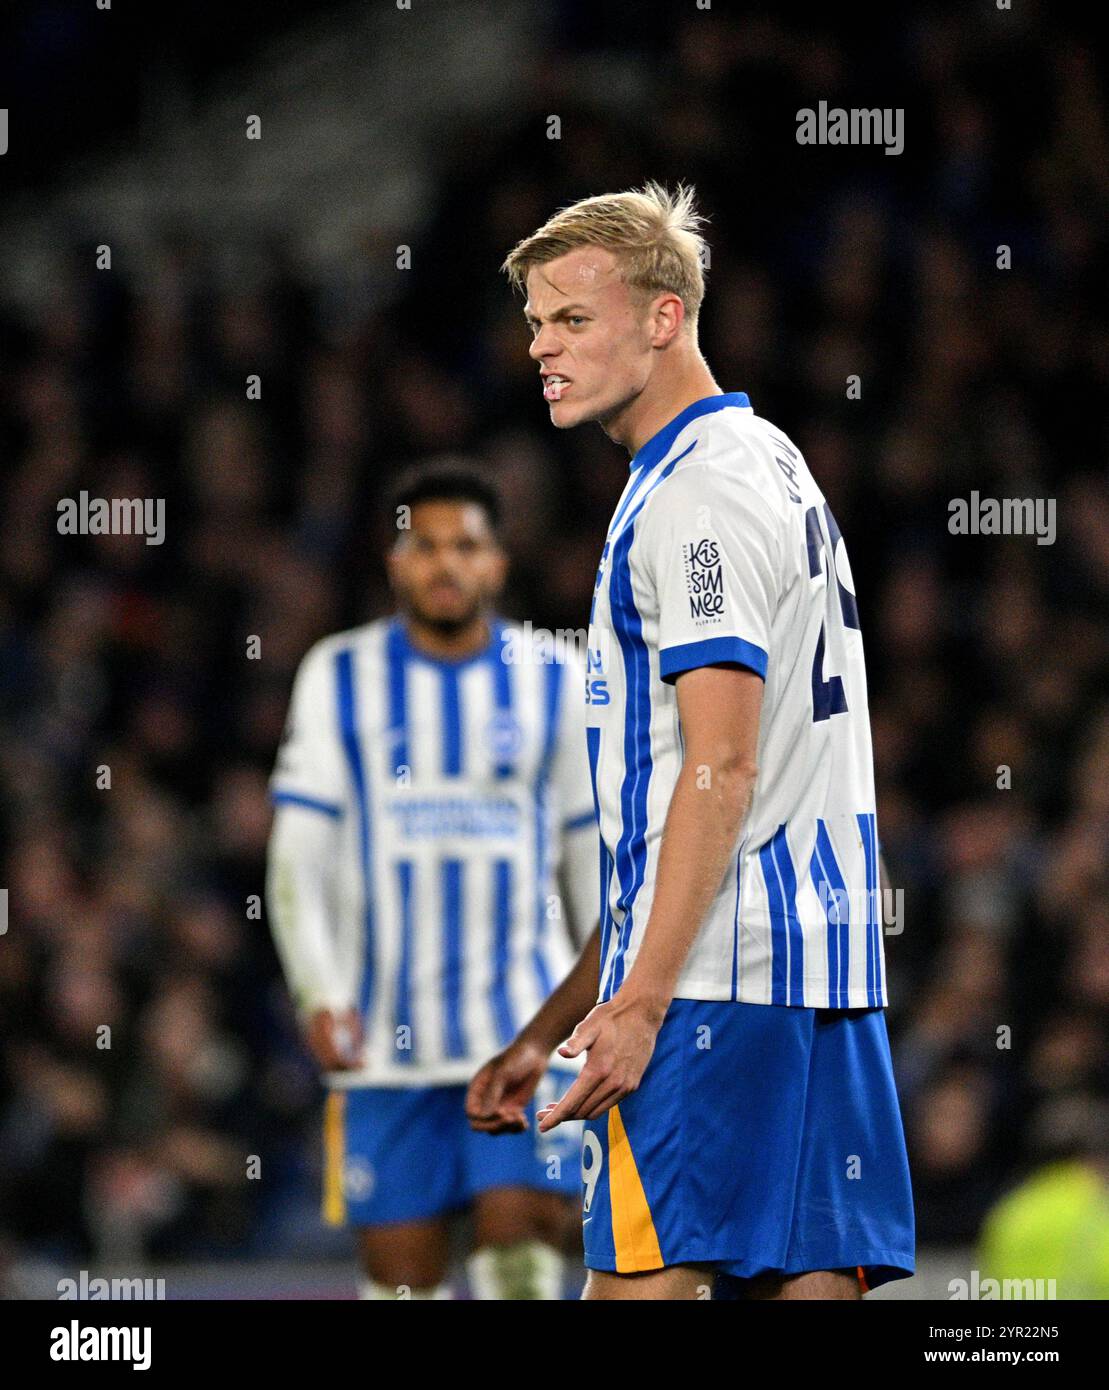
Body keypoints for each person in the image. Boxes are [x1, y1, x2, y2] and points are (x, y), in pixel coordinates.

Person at [467, 183, 915, 1300]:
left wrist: (642, 1002)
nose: (541, 347)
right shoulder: (772, 461)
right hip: (823, 975)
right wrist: (561, 1018)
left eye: (571, 318)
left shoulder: (692, 496)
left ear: (663, 317)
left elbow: (718, 766)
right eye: (534, 322)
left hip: (714, 984)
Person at [266, 463, 596, 1299]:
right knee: (401, 1289)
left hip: (523, 1032)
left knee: (515, 1259)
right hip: (384, 1048)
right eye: (425, 546)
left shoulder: (555, 676)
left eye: (466, 547)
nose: (445, 565)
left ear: (497, 562)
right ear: (393, 560)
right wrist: (318, 991)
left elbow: (593, 854)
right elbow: (298, 854)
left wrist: (605, 1001)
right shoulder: (337, 675)